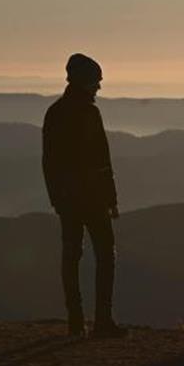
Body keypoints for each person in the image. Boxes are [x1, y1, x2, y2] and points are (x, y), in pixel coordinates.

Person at [42, 53, 125, 338]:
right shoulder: (90, 113)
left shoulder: (55, 113)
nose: (99, 87)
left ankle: (75, 321)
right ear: (85, 82)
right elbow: (102, 160)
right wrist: (111, 199)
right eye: (96, 82)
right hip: (92, 198)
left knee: (71, 255)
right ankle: (103, 320)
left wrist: (56, 198)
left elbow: (48, 162)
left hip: (68, 199)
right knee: (105, 255)